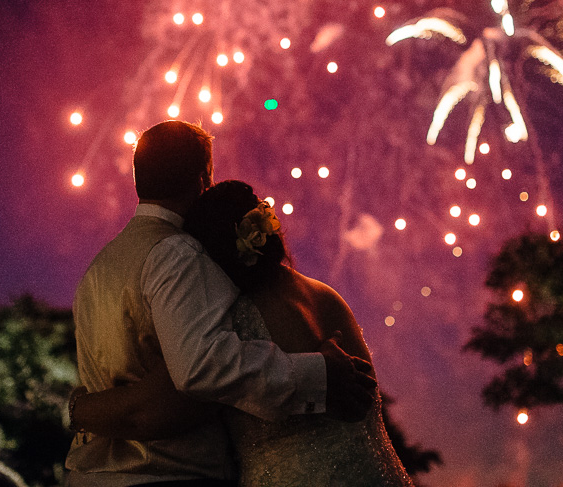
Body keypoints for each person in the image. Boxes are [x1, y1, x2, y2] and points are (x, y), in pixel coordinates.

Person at [65, 121, 376, 486]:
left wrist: (79, 408)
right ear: (203, 179)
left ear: (139, 178)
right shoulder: (179, 254)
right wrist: (319, 375)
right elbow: (201, 368)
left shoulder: (98, 269)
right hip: (166, 475)